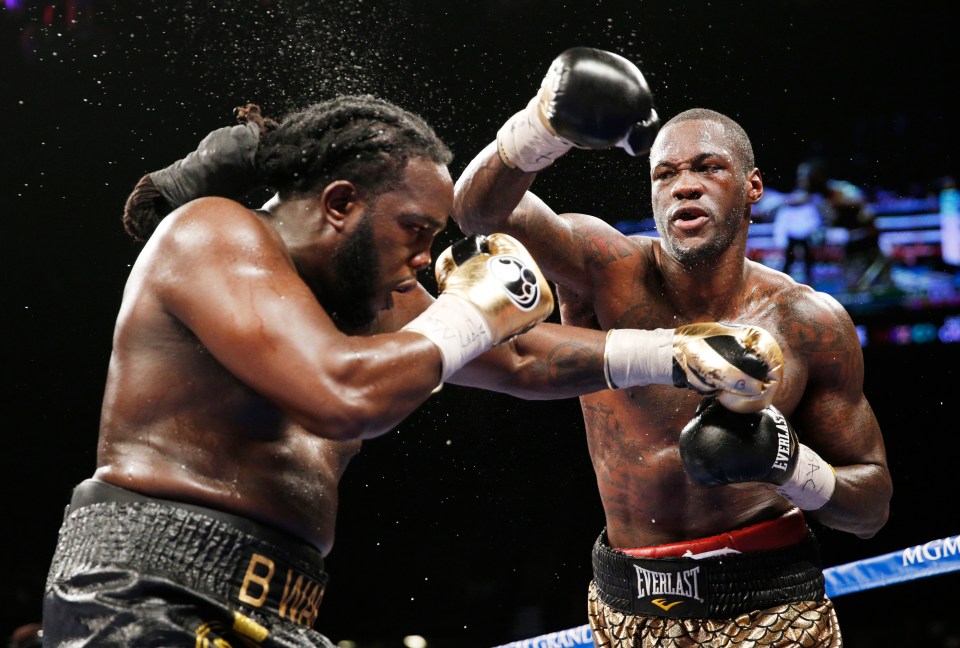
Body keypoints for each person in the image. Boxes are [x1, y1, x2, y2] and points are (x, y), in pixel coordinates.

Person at [42, 95, 783, 647]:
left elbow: (521, 359)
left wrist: (676, 352)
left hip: (282, 599)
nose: (428, 259)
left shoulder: (366, 295)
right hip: (147, 587)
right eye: (415, 232)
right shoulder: (213, 235)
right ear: (339, 205)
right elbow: (343, 394)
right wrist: (469, 311)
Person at [453, 48, 892, 646]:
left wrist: (790, 466)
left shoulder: (808, 322)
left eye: (707, 168)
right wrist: (541, 126)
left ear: (752, 186)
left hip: (769, 606)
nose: (684, 185)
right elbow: (476, 210)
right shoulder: (605, 266)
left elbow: (870, 508)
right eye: (665, 174)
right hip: (625, 605)